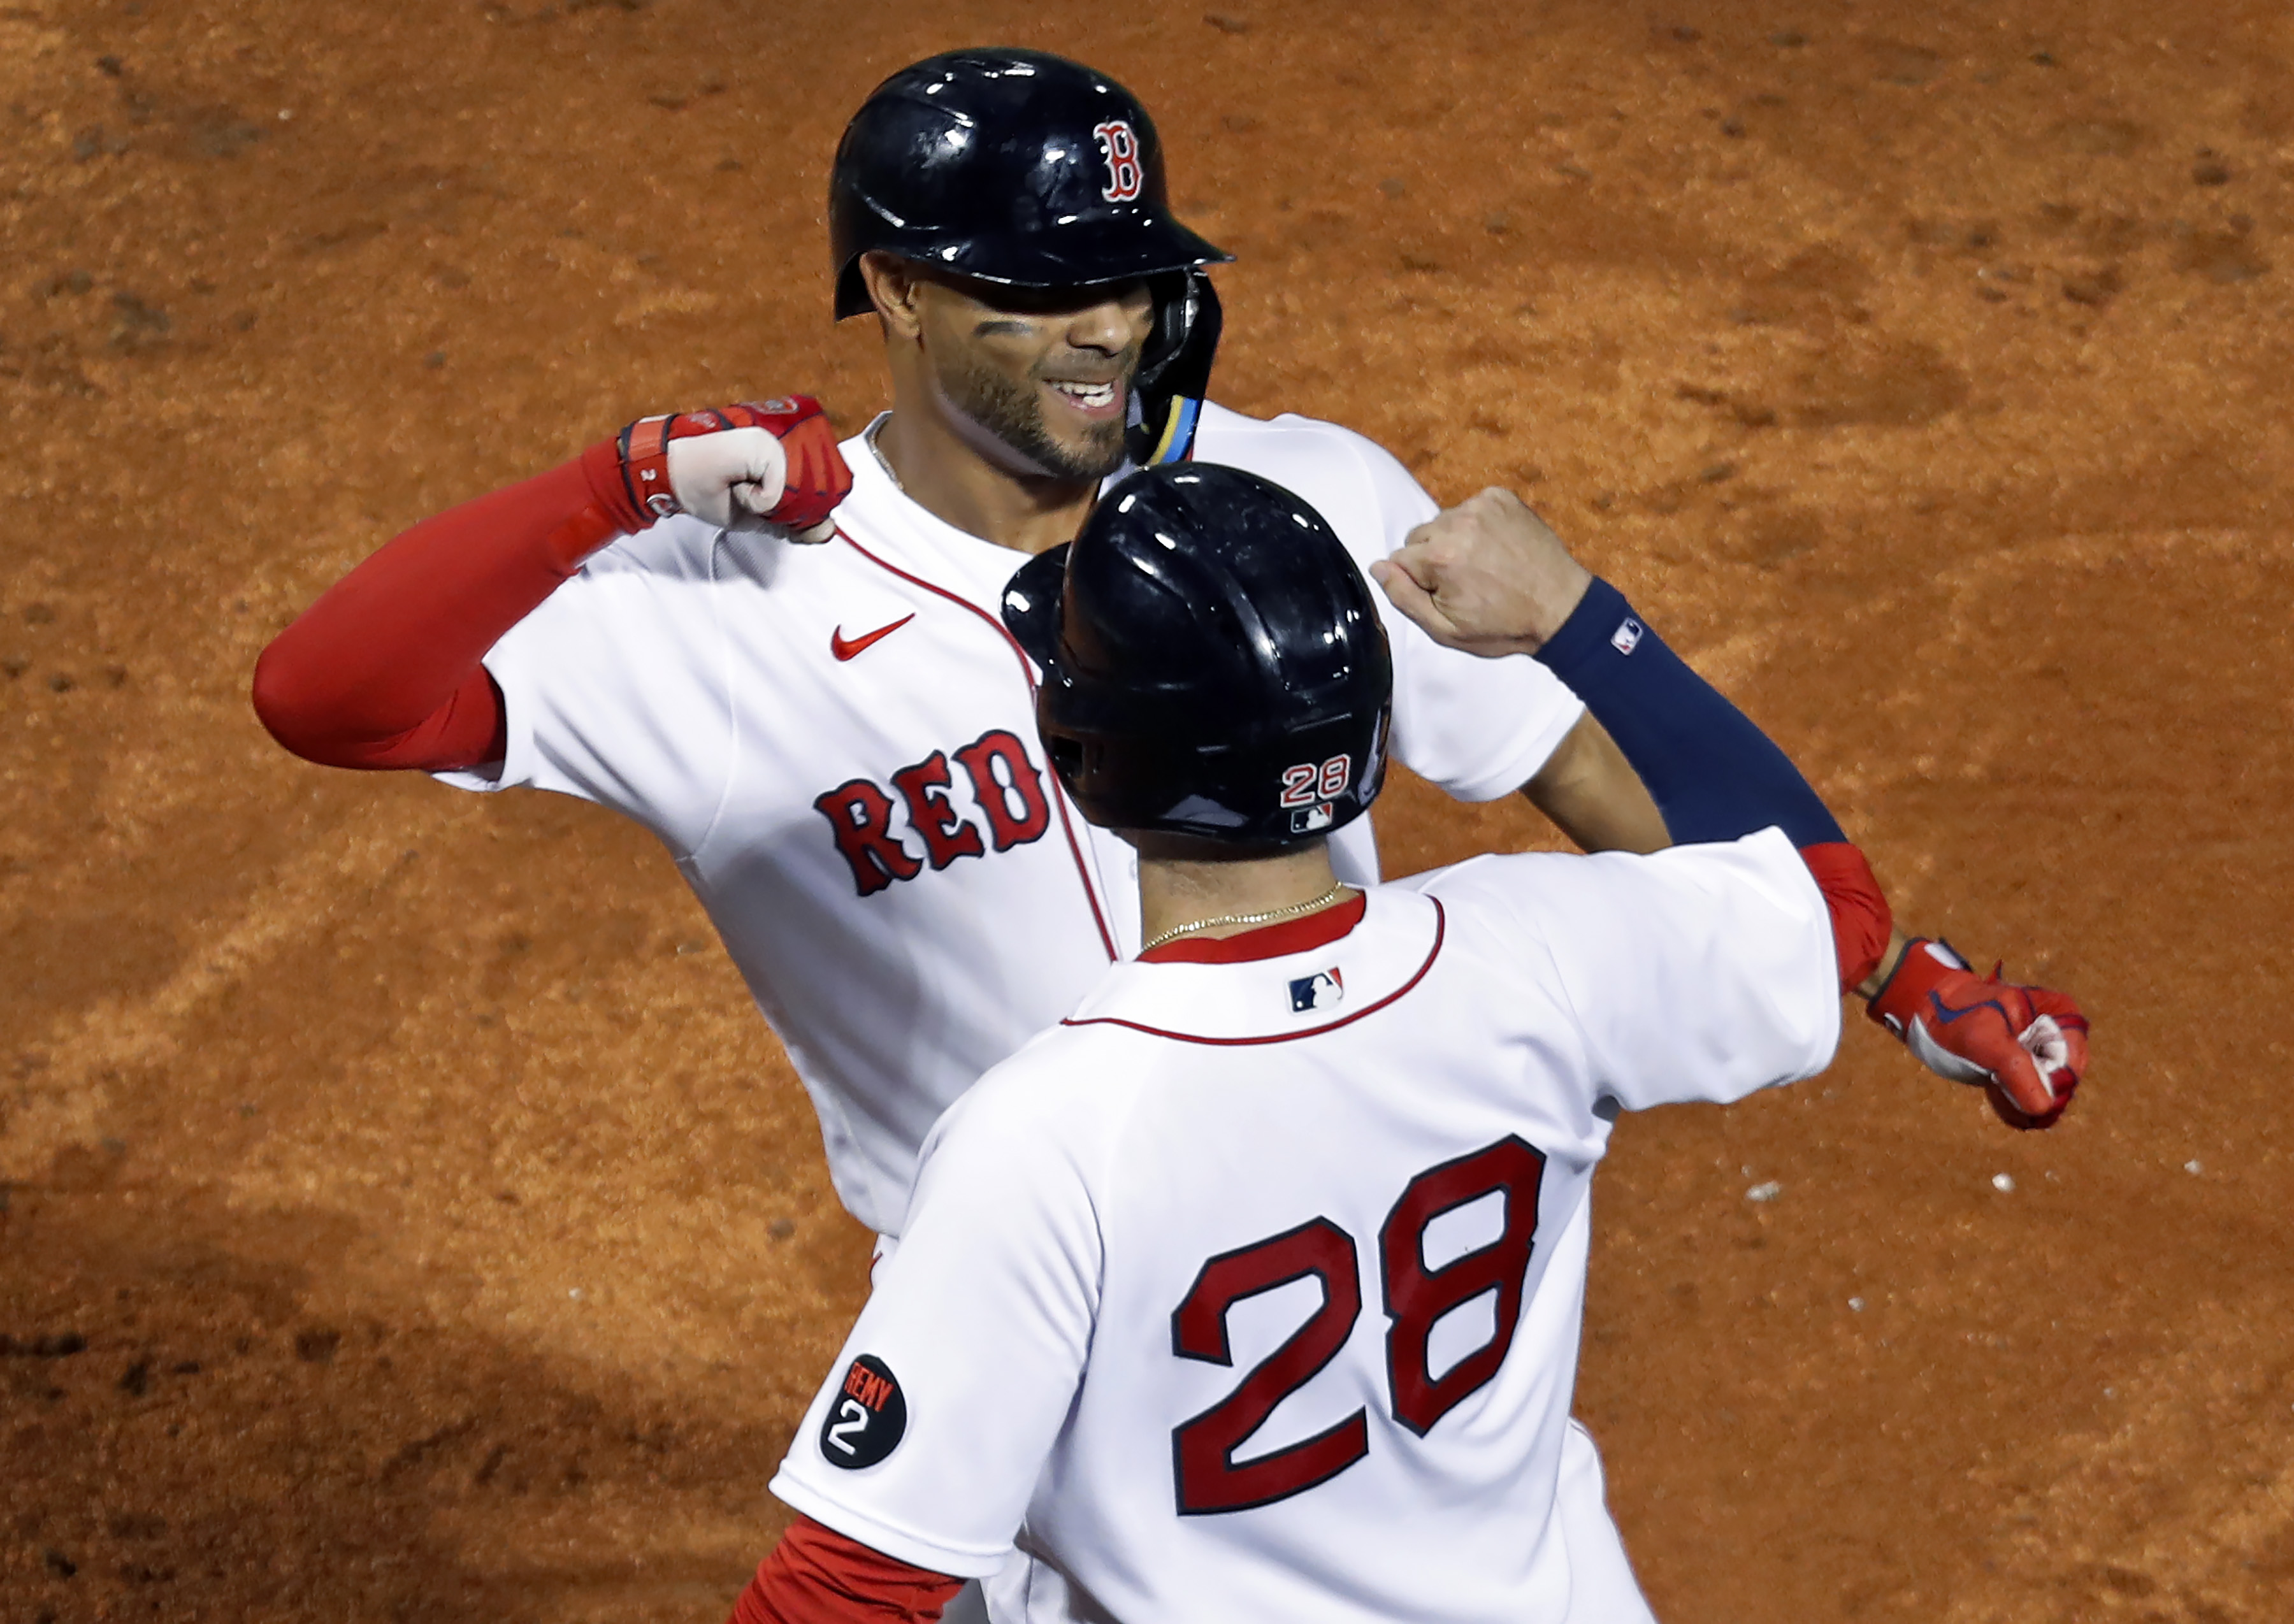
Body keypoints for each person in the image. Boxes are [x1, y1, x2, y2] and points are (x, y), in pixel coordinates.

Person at [251, 47, 2077, 1261]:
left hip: (1368, 1285)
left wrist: (1883, 961)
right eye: (1042, 291)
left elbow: (1545, 747)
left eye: (1127, 280)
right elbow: (325, 697)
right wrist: (613, 482)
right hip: (1046, 1352)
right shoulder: (720, 612)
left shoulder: (1293, 492)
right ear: (890, 287)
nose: (1107, 331)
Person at [723, 465, 2088, 1623]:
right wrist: (1576, 619)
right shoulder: (1538, 949)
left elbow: (846, 1586)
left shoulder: (1044, 1139)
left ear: (1078, 761)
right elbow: (1836, 906)